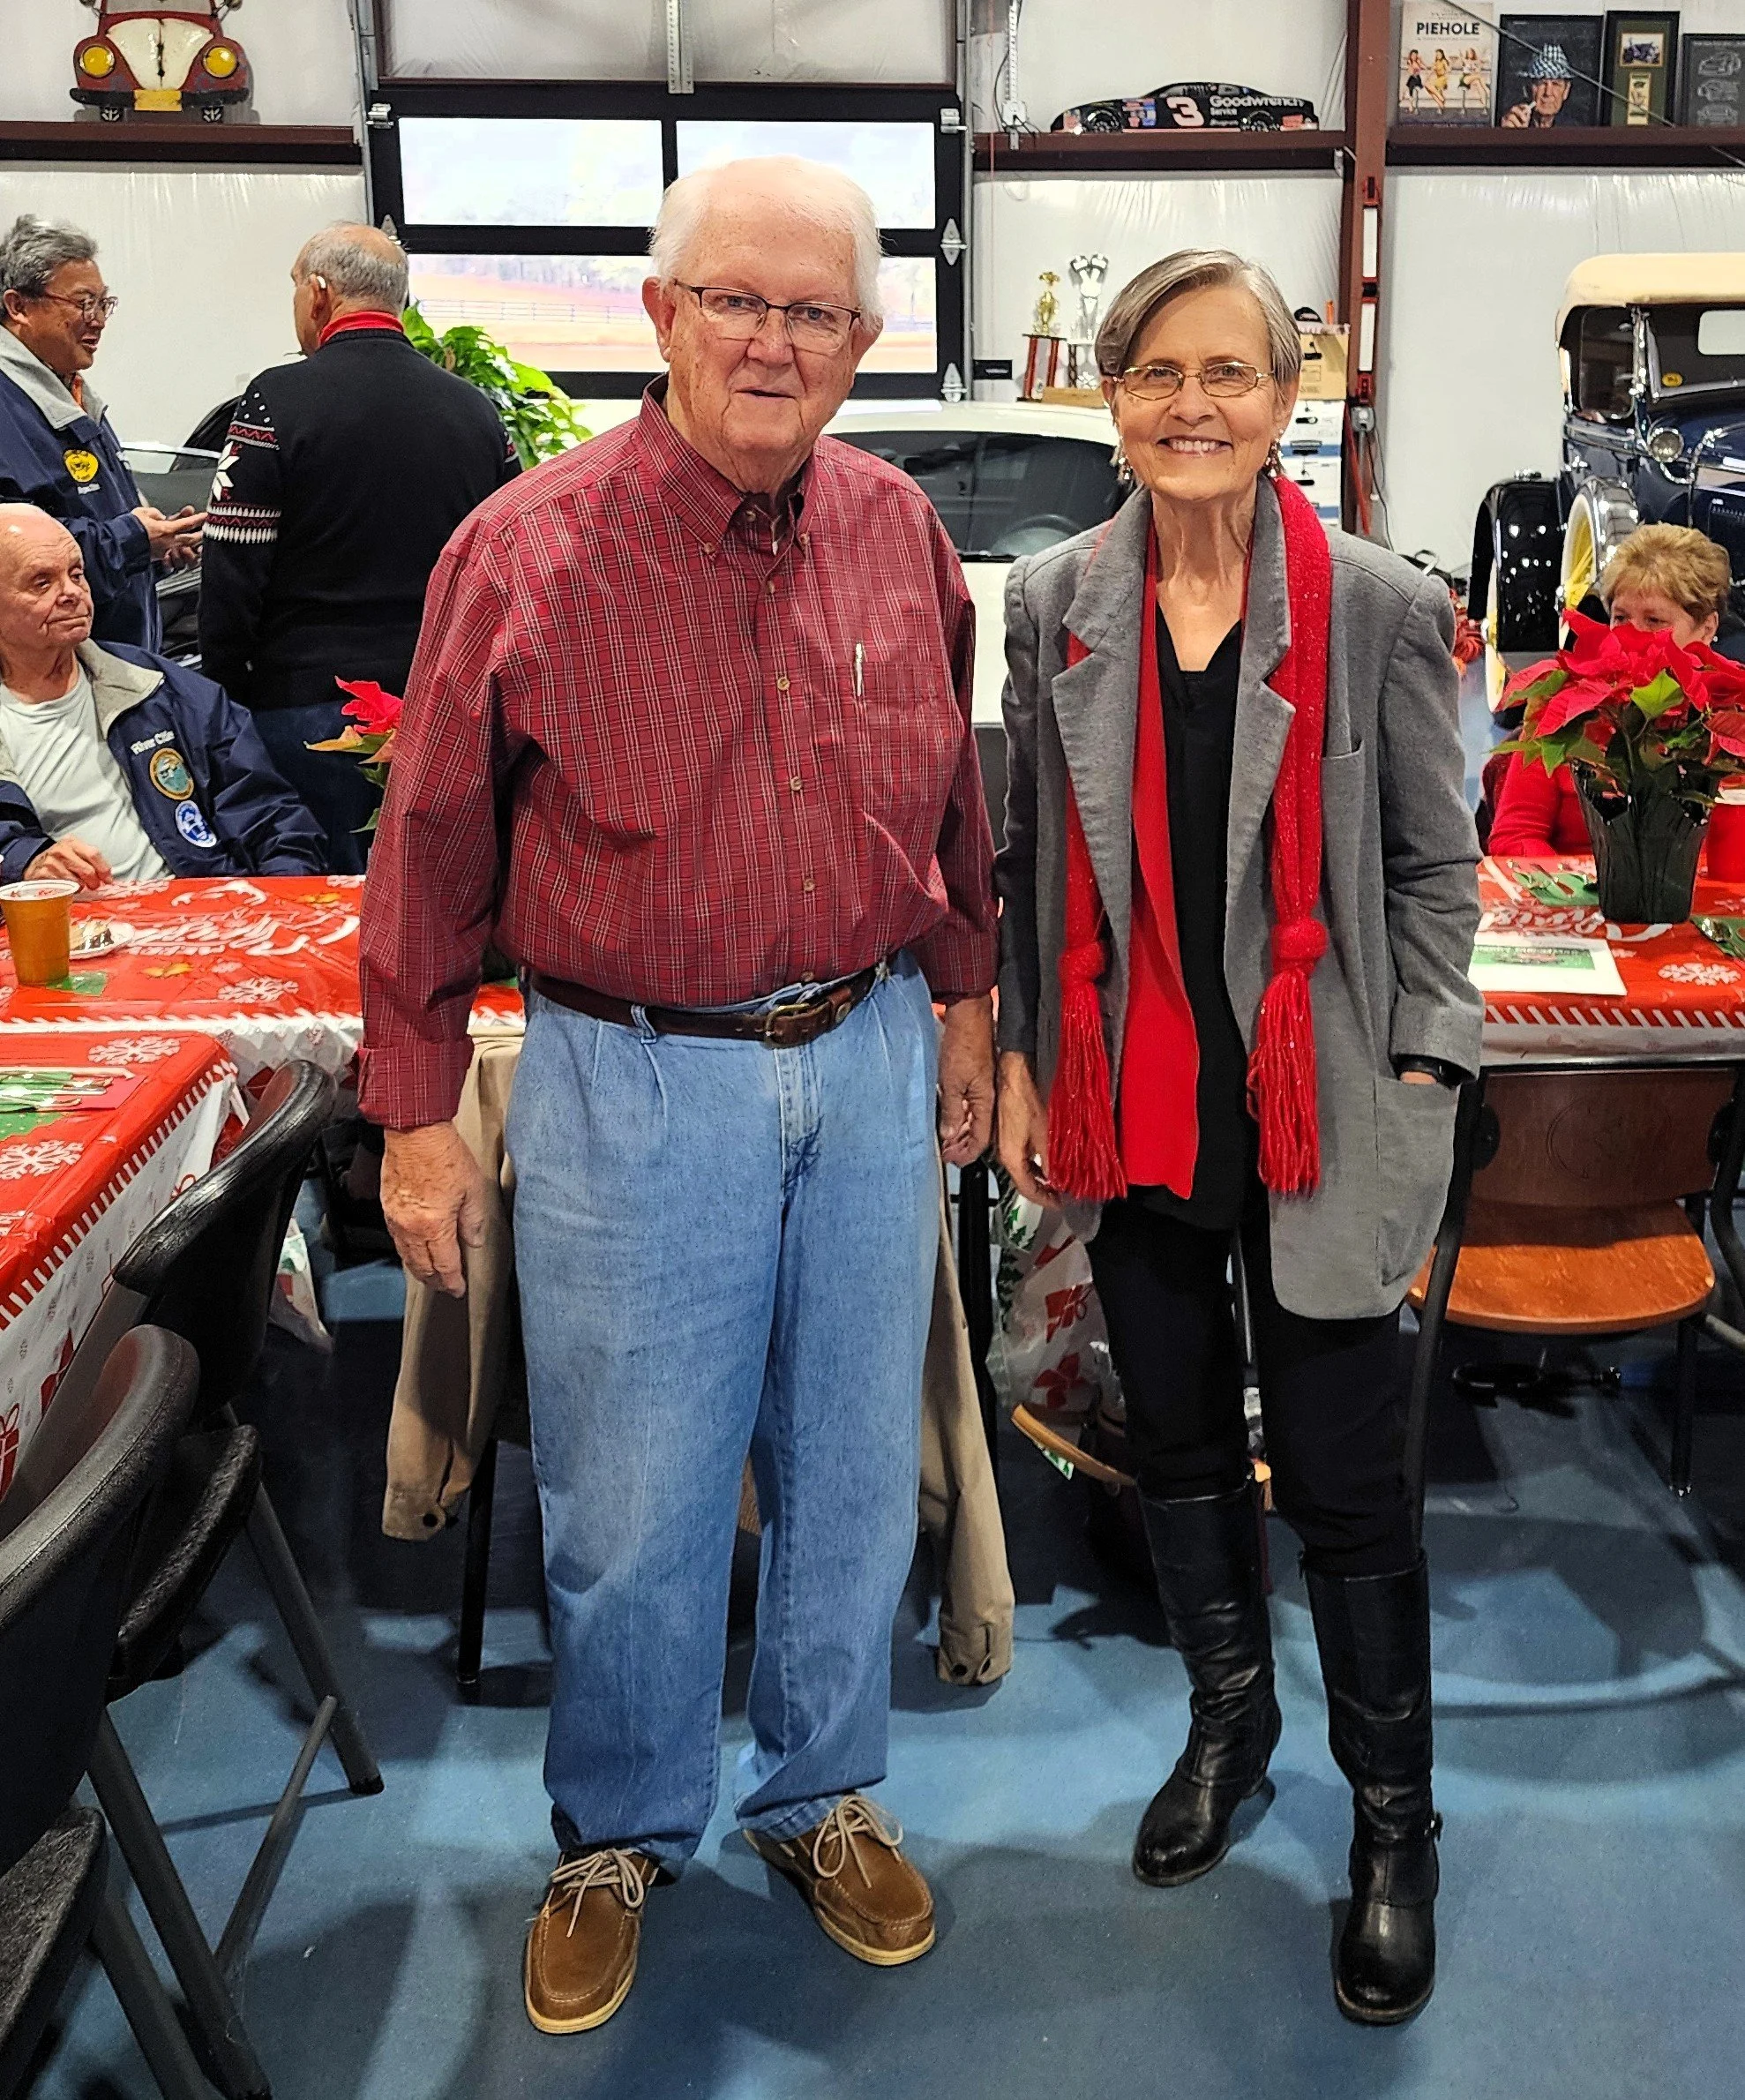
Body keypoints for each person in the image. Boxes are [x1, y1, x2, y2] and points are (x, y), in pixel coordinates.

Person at [359, 156, 998, 2034]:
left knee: (851, 1475)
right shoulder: (526, 546)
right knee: (634, 1498)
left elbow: (949, 805)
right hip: (631, 1079)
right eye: (735, 300)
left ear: (864, 342)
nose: (772, 341)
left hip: (870, 1052)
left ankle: (818, 1790)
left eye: (813, 312)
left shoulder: (897, 531)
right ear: (659, 315)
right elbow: (427, 845)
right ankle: (618, 1824)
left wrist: (961, 1001)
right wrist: (410, 1111)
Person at [994, 250, 1481, 2025]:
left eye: (1228, 372)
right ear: (1108, 398)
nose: (1189, 405)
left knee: (1351, 1491)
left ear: (1288, 399)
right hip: (1138, 1108)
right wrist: (1037, 1063)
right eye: (1154, 372)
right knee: (1179, 1447)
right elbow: (1037, 858)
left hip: (1326, 1109)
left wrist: (1425, 1075)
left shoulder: (1373, 605)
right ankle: (1231, 1725)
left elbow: (1436, 869)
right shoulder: (1051, 598)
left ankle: (1390, 1824)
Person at [199, 222, 518, 872]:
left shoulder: (274, 402)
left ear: (318, 294)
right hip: (443, 711)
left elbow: (233, 571)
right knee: (435, 902)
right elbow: (511, 566)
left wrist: (224, 700)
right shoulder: (475, 412)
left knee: (322, 909)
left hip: (308, 709)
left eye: (294, 287)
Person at [0, 504, 323, 883]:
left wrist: (283, 900)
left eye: (77, 574)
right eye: (42, 582)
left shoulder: (159, 687)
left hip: (201, 915)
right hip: (59, 929)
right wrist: (26, 866)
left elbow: (271, 815)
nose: (71, 593)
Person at [0, 214, 204, 651]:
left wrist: (157, 549)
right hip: (47, 679)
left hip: (110, 665)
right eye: (82, 304)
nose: (99, 321)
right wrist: (131, 540)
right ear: (18, 307)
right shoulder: (9, 403)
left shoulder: (72, 394)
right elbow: (17, 560)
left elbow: (95, 526)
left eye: (104, 303)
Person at [1490, 523, 1736, 857]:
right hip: (1578, 899)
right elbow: (1515, 835)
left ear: (1706, 628)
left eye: (1654, 621)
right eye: (1620, 617)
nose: (1629, 636)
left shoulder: (1732, 707)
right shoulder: (1561, 700)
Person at [1502, 44, 1576, 126]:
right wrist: (1507, 135)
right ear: (1528, 88)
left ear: (1566, 91)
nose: (1548, 93)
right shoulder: (1515, 120)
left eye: (1556, 84)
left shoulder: (1575, 131)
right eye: (1541, 83)